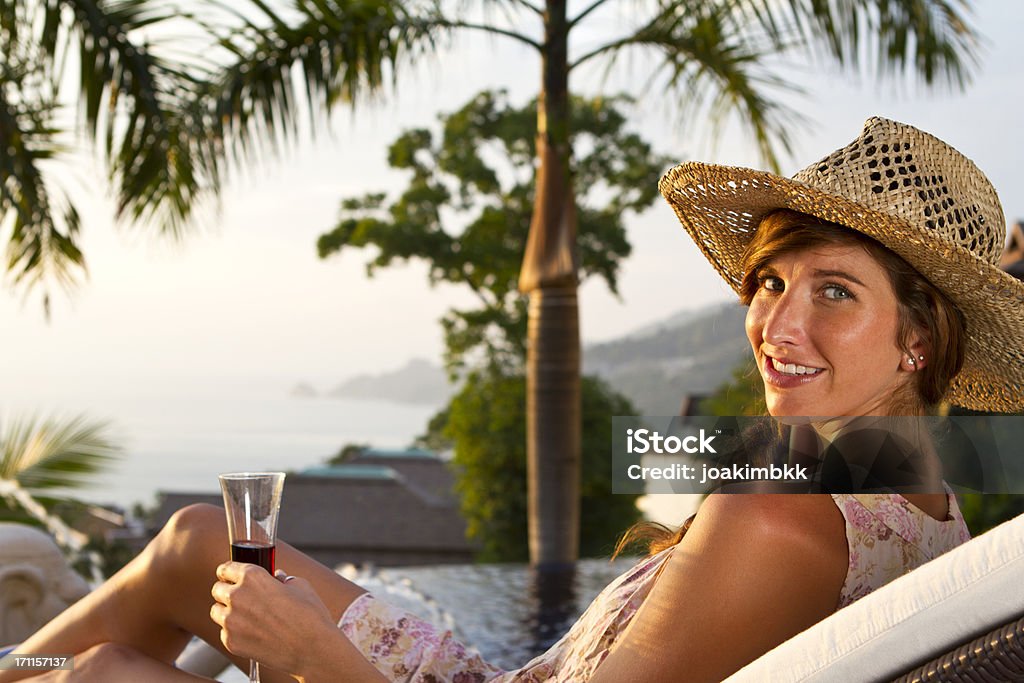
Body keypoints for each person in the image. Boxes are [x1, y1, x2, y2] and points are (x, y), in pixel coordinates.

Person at [3, 116, 1021, 683]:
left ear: (918, 336)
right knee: (192, 538)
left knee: (106, 676)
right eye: (769, 282)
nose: (776, 325)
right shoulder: (917, 501)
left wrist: (314, 653)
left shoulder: (777, 518)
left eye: (834, 292)